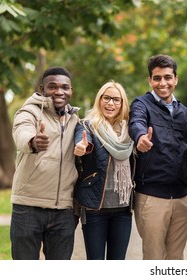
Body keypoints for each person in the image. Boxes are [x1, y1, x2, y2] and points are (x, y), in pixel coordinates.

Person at [129, 54, 187, 260]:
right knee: (154, 258)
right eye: (157, 78)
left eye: (168, 77)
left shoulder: (184, 112)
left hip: (182, 198)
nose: (163, 83)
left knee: (176, 259)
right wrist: (140, 137)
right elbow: (136, 122)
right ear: (150, 80)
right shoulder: (142, 104)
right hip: (152, 197)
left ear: (175, 79)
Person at [10, 66, 79, 260]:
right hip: (28, 208)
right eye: (52, 86)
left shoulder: (75, 120)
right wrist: (32, 141)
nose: (59, 91)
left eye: (65, 87)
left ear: (71, 90)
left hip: (63, 212)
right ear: (42, 89)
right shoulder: (29, 112)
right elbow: (22, 131)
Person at [73, 81, 134, 260]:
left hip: (123, 208)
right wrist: (81, 147)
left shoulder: (130, 131)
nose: (111, 103)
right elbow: (83, 141)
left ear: (122, 103)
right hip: (94, 208)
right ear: (99, 100)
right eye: (106, 98)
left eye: (116, 99)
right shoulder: (87, 126)